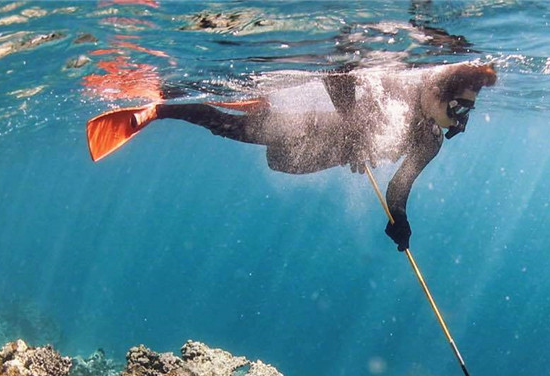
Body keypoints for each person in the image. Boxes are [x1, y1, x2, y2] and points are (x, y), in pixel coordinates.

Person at [87, 62, 497, 251]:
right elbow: (338, 73)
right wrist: (354, 124)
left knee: (272, 152)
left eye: (468, 111)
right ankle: (158, 110)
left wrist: (400, 219)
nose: (460, 121)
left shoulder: (431, 141)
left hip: (307, 155)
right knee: (226, 126)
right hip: (305, 126)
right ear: (434, 91)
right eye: (459, 108)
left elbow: (398, 186)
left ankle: (256, 104)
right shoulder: (393, 85)